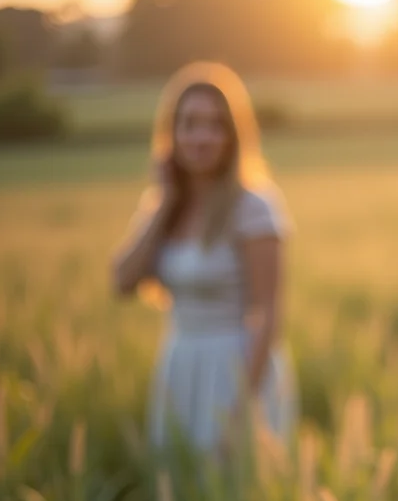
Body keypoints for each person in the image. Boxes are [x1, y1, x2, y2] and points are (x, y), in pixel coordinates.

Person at [112, 61, 297, 453]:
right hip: (180, 365)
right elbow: (123, 283)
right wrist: (164, 203)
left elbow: (269, 313)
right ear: (172, 134)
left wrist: (243, 410)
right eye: (190, 124)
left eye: (216, 125)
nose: (202, 137)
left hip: (237, 371)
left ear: (233, 136)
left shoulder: (254, 207)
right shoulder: (164, 206)